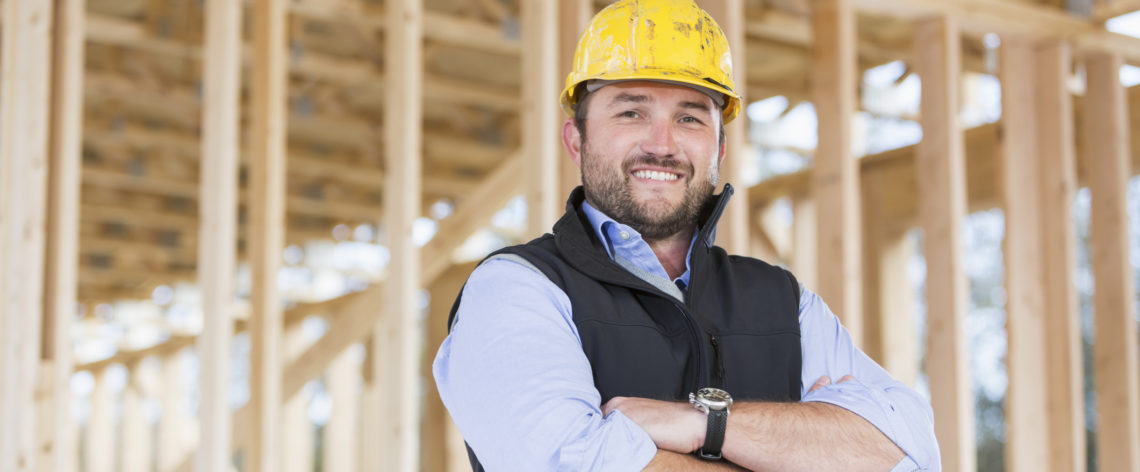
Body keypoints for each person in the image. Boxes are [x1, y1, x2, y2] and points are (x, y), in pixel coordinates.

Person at [433, 0, 940, 470]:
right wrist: (798, 449)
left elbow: (911, 451)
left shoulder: (784, 303)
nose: (662, 144)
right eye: (631, 111)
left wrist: (702, 424)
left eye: (690, 117)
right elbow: (573, 464)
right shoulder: (518, 289)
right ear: (577, 139)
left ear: (719, 147)